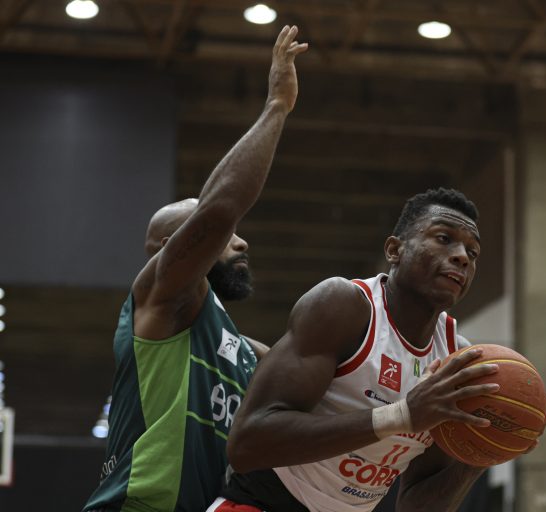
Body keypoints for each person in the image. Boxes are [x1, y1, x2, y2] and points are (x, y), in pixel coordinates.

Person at [83, 25, 308, 512]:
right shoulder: (160, 299)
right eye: (224, 237)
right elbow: (219, 211)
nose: (241, 241)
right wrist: (277, 106)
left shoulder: (244, 350)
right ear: (172, 248)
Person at [210, 188, 520, 512]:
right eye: (444, 238)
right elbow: (247, 444)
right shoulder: (345, 306)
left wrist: (483, 453)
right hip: (261, 503)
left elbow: (414, 506)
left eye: (472, 252)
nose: (462, 257)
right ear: (394, 250)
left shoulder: (456, 359)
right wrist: (401, 416)